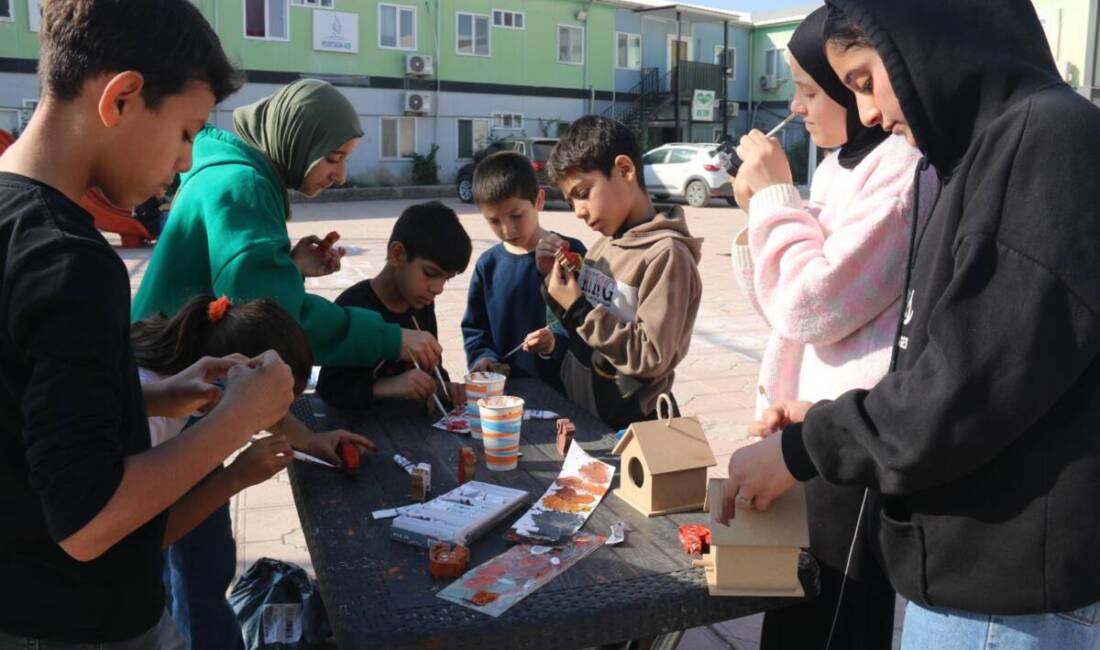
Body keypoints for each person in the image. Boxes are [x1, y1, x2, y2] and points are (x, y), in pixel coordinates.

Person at [721, 2, 1100, 649]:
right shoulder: (992, 153)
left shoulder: (1042, 141)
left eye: (865, 80)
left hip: (1005, 601)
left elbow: (963, 391)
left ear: (929, 36)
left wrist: (807, 444)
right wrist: (824, 415)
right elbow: (965, 362)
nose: (866, 111)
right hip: (977, 586)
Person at [0, 1, 295, 647]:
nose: (186, 162)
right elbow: (89, 521)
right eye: (187, 132)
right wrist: (239, 420)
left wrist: (155, 396)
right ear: (124, 97)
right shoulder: (68, 261)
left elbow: (22, 415)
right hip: (79, 625)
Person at [729, 8, 935, 649]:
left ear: (856, 88)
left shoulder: (901, 172)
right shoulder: (834, 167)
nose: (798, 106)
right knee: (792, 604)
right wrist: (764, 210)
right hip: (802, 423)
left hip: (850, 439)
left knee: (835, 621)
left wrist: (772, 202)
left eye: (812, 90)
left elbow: (812, 304)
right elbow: (779, 307)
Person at [131, 78, 442, 371]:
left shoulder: (232, 173)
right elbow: (271, 319)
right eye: (333, 159)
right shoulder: (244, 186)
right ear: (297, 141)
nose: (341, 175)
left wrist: (287, 268)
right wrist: (389, 339)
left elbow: (240, 284)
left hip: (162, 361)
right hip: (166, 379)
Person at [132, 294, 375, 648]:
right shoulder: (150, 421)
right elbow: (142, 541)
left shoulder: (188, 385)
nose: (274, 419)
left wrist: (308, 439)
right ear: (231, 381)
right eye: (276, 404)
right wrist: (235, 477)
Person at [543, 116, 702, 429]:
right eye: (570, 200)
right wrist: (555, 284)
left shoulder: (666, 255)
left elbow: (650, 357)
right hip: (585, 412)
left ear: (625, 170)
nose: (578, 211)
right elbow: (580, 333)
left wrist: (577, 307)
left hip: (631, 428)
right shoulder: (605, 244)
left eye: (583, 192)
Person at [318, 202, 471, 412]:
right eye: (430, 273)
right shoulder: (354, 306)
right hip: (361, 431)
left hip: (412, 432)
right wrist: (386, 387)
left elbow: (431, 367)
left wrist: (442, 386)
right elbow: (329, 389)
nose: (438, 289)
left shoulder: (421, 303)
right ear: (397, 254)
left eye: (447, 280)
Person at [462, 151, 587, 390]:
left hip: (564, 391)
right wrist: (483, 358)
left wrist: (555, 344)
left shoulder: (571, 253)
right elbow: (475, 328)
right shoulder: (488, 265)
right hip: (505, 393)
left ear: (539, 200)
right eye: (494, 221)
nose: (508, 229)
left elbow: (587, 323)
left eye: (516, 215)